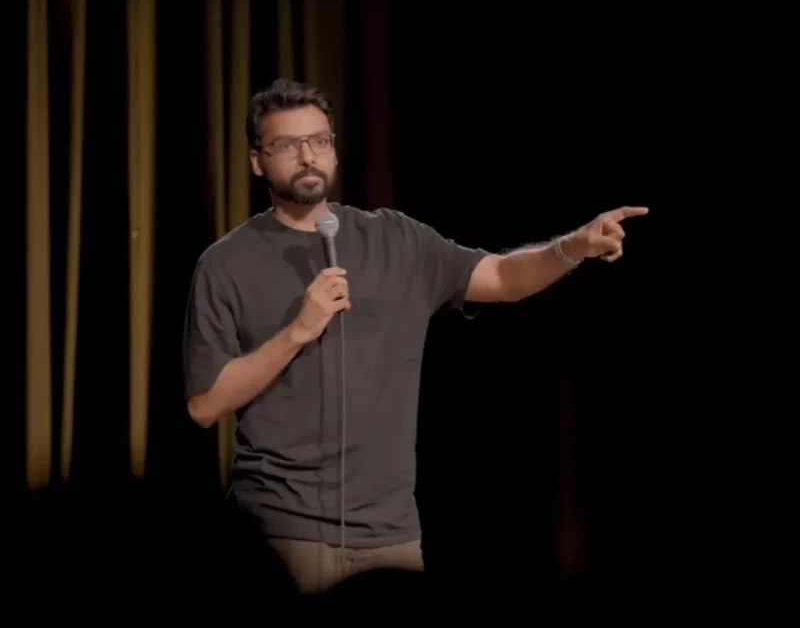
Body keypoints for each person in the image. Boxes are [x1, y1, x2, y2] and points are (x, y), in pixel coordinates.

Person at [182, 78, 648, 597]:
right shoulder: (225, 264)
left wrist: (571, 248)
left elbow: (502, 277)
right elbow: (205, 405)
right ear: (257, 161)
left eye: (320, 140)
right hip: (279, 534)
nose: (308, 156)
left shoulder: (397, 239)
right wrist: (296, 332)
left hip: (391, 537)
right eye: (288, 145)